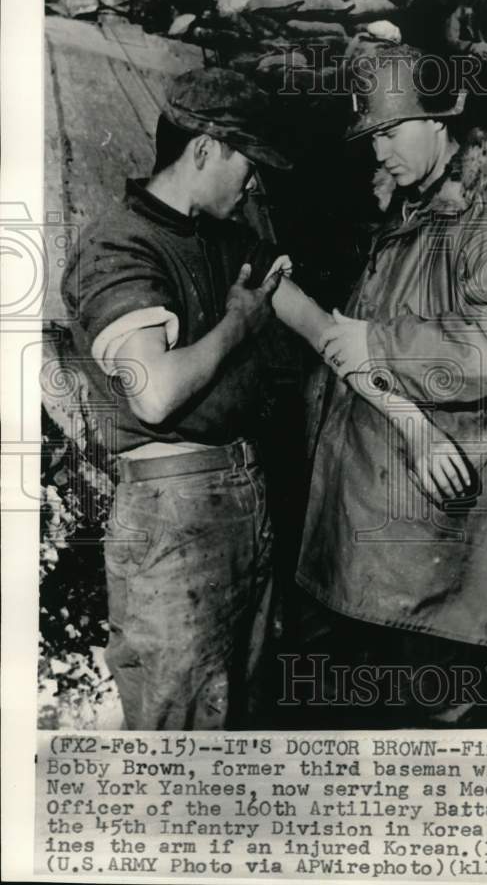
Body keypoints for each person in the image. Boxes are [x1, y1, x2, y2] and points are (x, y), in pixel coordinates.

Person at [61, 65, 465, 731]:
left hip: (245, 499)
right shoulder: (119, 245)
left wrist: (413, 426)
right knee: (181, 726)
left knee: (245, 717)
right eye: (249, 163)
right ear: (205, 149)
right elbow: (154, 394)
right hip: (173, 509)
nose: (255, 182)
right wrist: (237, 325)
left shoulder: (238, 243)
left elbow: (331, 336)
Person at [294, 44, 487, 727]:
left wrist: (380, 343)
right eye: (371, 137)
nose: (378, 151)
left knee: (430, 747)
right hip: (386, 555)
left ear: (442, 121)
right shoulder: (417, 207)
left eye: (391, 131)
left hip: (442, 572)